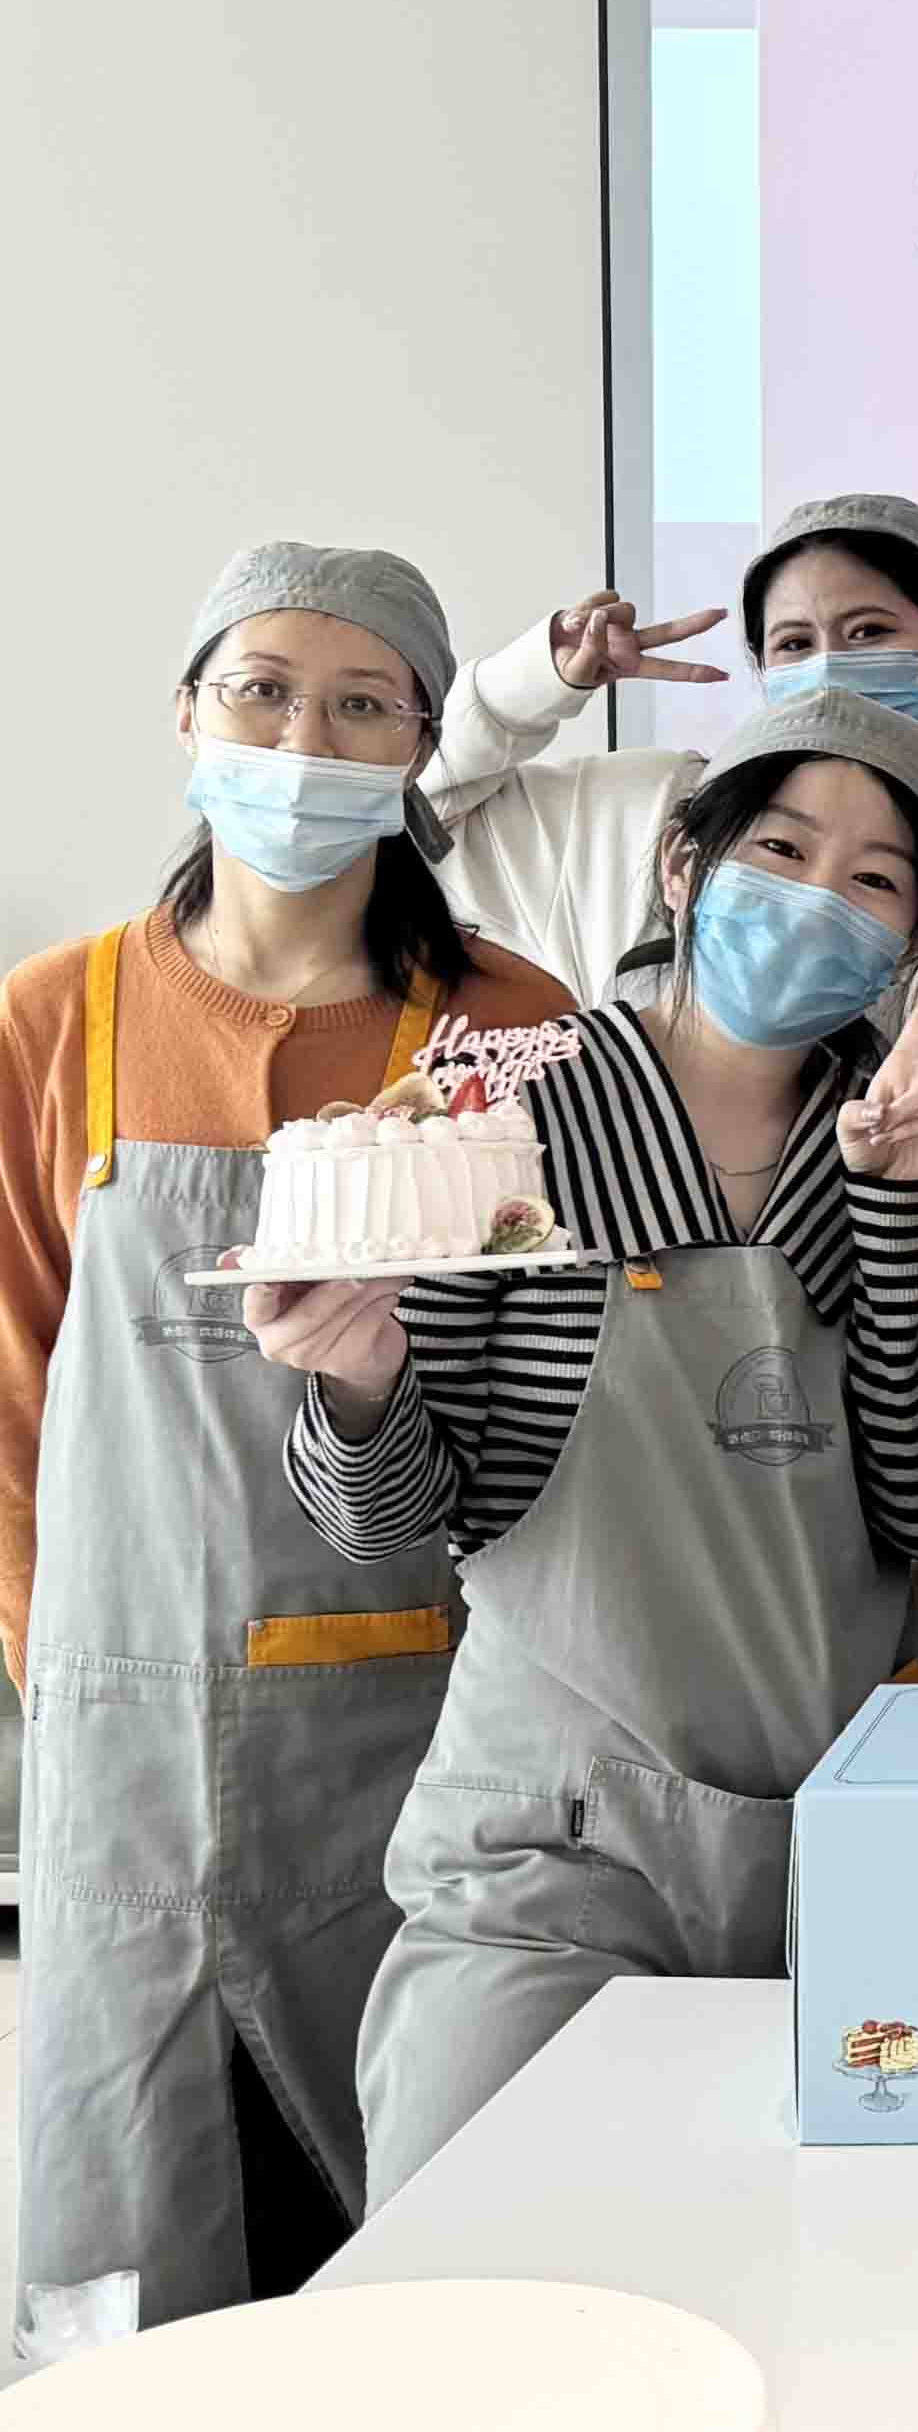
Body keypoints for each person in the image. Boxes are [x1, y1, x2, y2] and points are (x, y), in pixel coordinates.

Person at [254, 689, 918, 2199]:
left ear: (912, 941)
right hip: (552, 1843)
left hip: (849, 1852)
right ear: (683, 864)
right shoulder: (511, 1118)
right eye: (782, 848)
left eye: (875, 877)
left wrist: (894, 1204)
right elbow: (395, 1514)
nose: (819, 895)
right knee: (491, 2268)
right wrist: (357, 1377)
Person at [0, 547, 571, 2331]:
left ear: (420, 744)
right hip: (125, 1750)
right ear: (187, 712)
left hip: (427, 1737)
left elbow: (560, 1415)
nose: (301, 741)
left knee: (421, 2254)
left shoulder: (512, 1032)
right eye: (260, 690)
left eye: (359, 704)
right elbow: (9, 1397)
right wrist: (60, 1675)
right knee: (143, 2255)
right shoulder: (55, 1018)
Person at [417, 493, 918, 1269]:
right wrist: (534, 685)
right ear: (677, 864)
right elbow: (404, 813)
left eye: (869, 633)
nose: (827, 670)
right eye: (794, 643)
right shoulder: (641, 809)